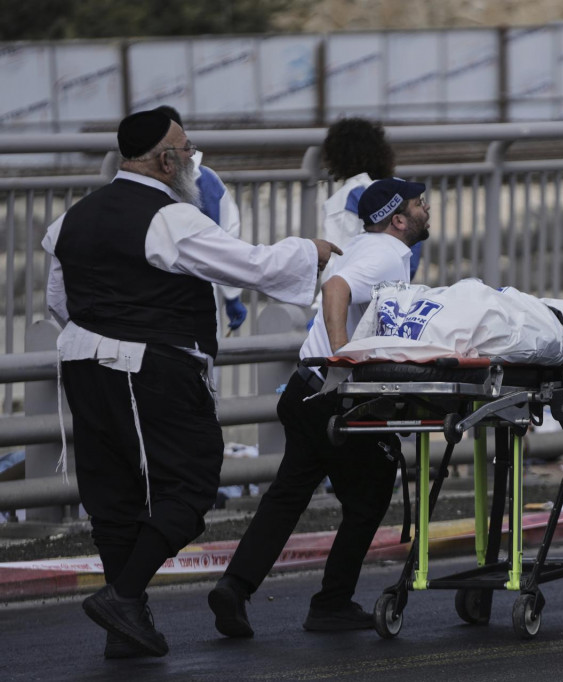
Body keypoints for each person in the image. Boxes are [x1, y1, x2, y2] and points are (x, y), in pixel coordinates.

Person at [41, 109, 340, 659]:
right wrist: (310, 252)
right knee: (191, 485)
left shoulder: (69, 221)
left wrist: (102, 337)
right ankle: (124, 597)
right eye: (184, 145)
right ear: (165, 159)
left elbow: (59, 303)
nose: (191, 153)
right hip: (153, 369)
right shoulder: (172, 218)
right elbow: (248, 266)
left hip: (82, 367)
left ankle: (123, 626)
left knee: (114, 496)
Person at [207, 177, 431, 637]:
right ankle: (330, 603)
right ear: (399, 219)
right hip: (333, 393)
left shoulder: (367, 246)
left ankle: (235, 586)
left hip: (304, 390)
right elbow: (336, 290)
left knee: (288, 495)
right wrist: (343, 356)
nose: (427, 208)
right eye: (418, 204)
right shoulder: (387, 253)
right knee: (369, 495)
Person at [154, 105, 248, 335]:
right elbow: (228, 240)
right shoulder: (207, 181)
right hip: (199, 299)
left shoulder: (133, 186)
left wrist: (232, 295)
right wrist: (231, 295)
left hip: (151, 303)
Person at [320, 116, 423, 282]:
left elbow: (334, 262)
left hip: (355, 297)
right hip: (397, 293)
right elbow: (411, 259)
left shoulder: (348, 197)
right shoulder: (404, 191)